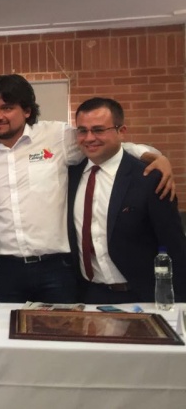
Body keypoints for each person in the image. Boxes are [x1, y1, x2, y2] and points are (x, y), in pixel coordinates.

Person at [0, 74, 174, 303]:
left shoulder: (56, 136)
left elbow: (102, 142)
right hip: (3, 269)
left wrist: (153, 156)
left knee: (63, 325)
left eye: (7, 108)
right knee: (4, 326)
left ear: (27, 111)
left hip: (56, 269)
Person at [67, 97, 186, 303]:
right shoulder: (70, 176)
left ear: (121, 131)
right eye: (82, 130)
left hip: (142, 296)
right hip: (89, 295)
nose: (89, 138)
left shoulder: (149, 178)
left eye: (98, 130)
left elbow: (174, 244)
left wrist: (179, 301)